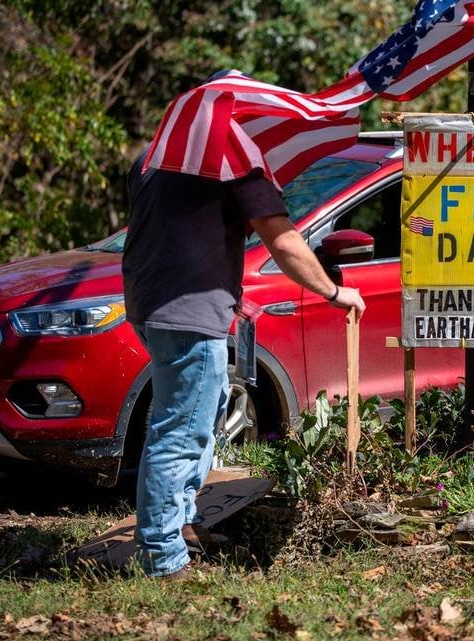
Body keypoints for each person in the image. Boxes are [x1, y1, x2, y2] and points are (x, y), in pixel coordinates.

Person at [122, 74, 365, 579]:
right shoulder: (233, 161)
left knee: (197, 417)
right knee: (181, 431)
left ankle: (183, 522)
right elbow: (285, 243)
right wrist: (336, 292)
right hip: (190, 314)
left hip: (150, 304)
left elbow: (175, 232)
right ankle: (163, 556)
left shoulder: (153, 158)